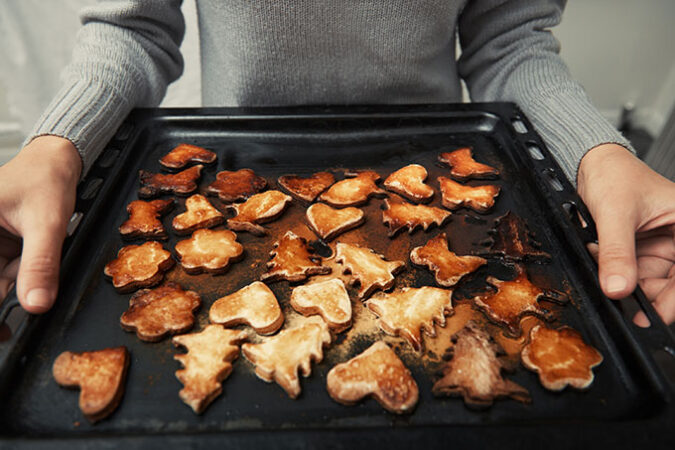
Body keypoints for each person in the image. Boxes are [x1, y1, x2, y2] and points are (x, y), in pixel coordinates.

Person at [0, 0, 673, 326]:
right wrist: (55, 148)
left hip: (435, 189)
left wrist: (596, 153)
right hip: (237, 177)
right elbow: (133, 27)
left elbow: (508, 36)